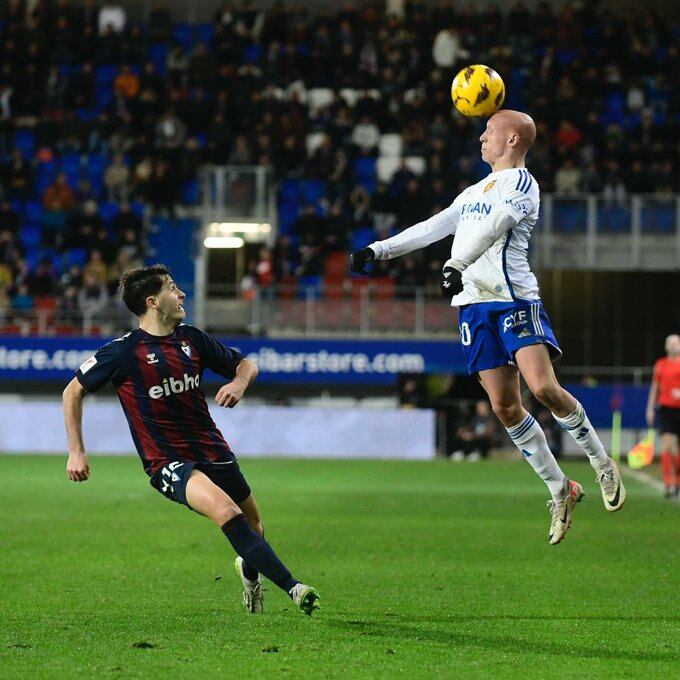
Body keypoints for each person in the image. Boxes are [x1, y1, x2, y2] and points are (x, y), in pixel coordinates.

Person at [350, 109, 626, 545]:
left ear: (513, 139)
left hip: (512, 298)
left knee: (544, 388)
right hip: (472, 307)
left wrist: (457, 262)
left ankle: (601, 462)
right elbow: (432, 227)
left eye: (489, 131)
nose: (481, 138)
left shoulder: (523, 184)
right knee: (503, 407)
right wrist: (378, 249)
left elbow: (499, 225)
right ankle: (560, 488)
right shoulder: (473, 190)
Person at [62, 264, 320, 615]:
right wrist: (76, 451)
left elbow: (247, 365)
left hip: (212, 448)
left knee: (255, 530)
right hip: (167, 462)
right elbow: (72, 391)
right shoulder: (123, 352)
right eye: (172, 287)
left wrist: (238, 383)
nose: (181, 294)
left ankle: (248, 571)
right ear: (153, 302)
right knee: (226, 512)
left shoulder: (192, 339)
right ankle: (294, 588)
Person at [646, 334, 680, 498]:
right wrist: (650, 409)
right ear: (666, 346)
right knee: (668, 446)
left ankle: (677, 481)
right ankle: (669, 483)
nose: (673, 345)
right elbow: (655, 387)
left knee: (677, 450)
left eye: (676, 343)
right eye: (670, 343)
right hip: (666, 409)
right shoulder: (660, 365)